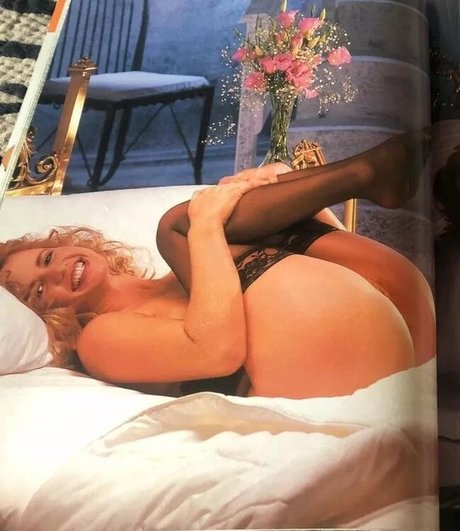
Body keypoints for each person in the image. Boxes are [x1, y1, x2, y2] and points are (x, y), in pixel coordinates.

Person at [0, 131, 435, 399]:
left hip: (406, 322)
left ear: (66, 243)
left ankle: (365, 173)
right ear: (48, 318)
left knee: (221, 222)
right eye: (39, 290)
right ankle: (367, 173)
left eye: (46, 258)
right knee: (179, 225)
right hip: (343, 370)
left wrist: (266, 189)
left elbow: (327, 260)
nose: (55, 272)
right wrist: (207, 224)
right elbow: (216, 351)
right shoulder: (99, 339)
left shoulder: (181, 271)